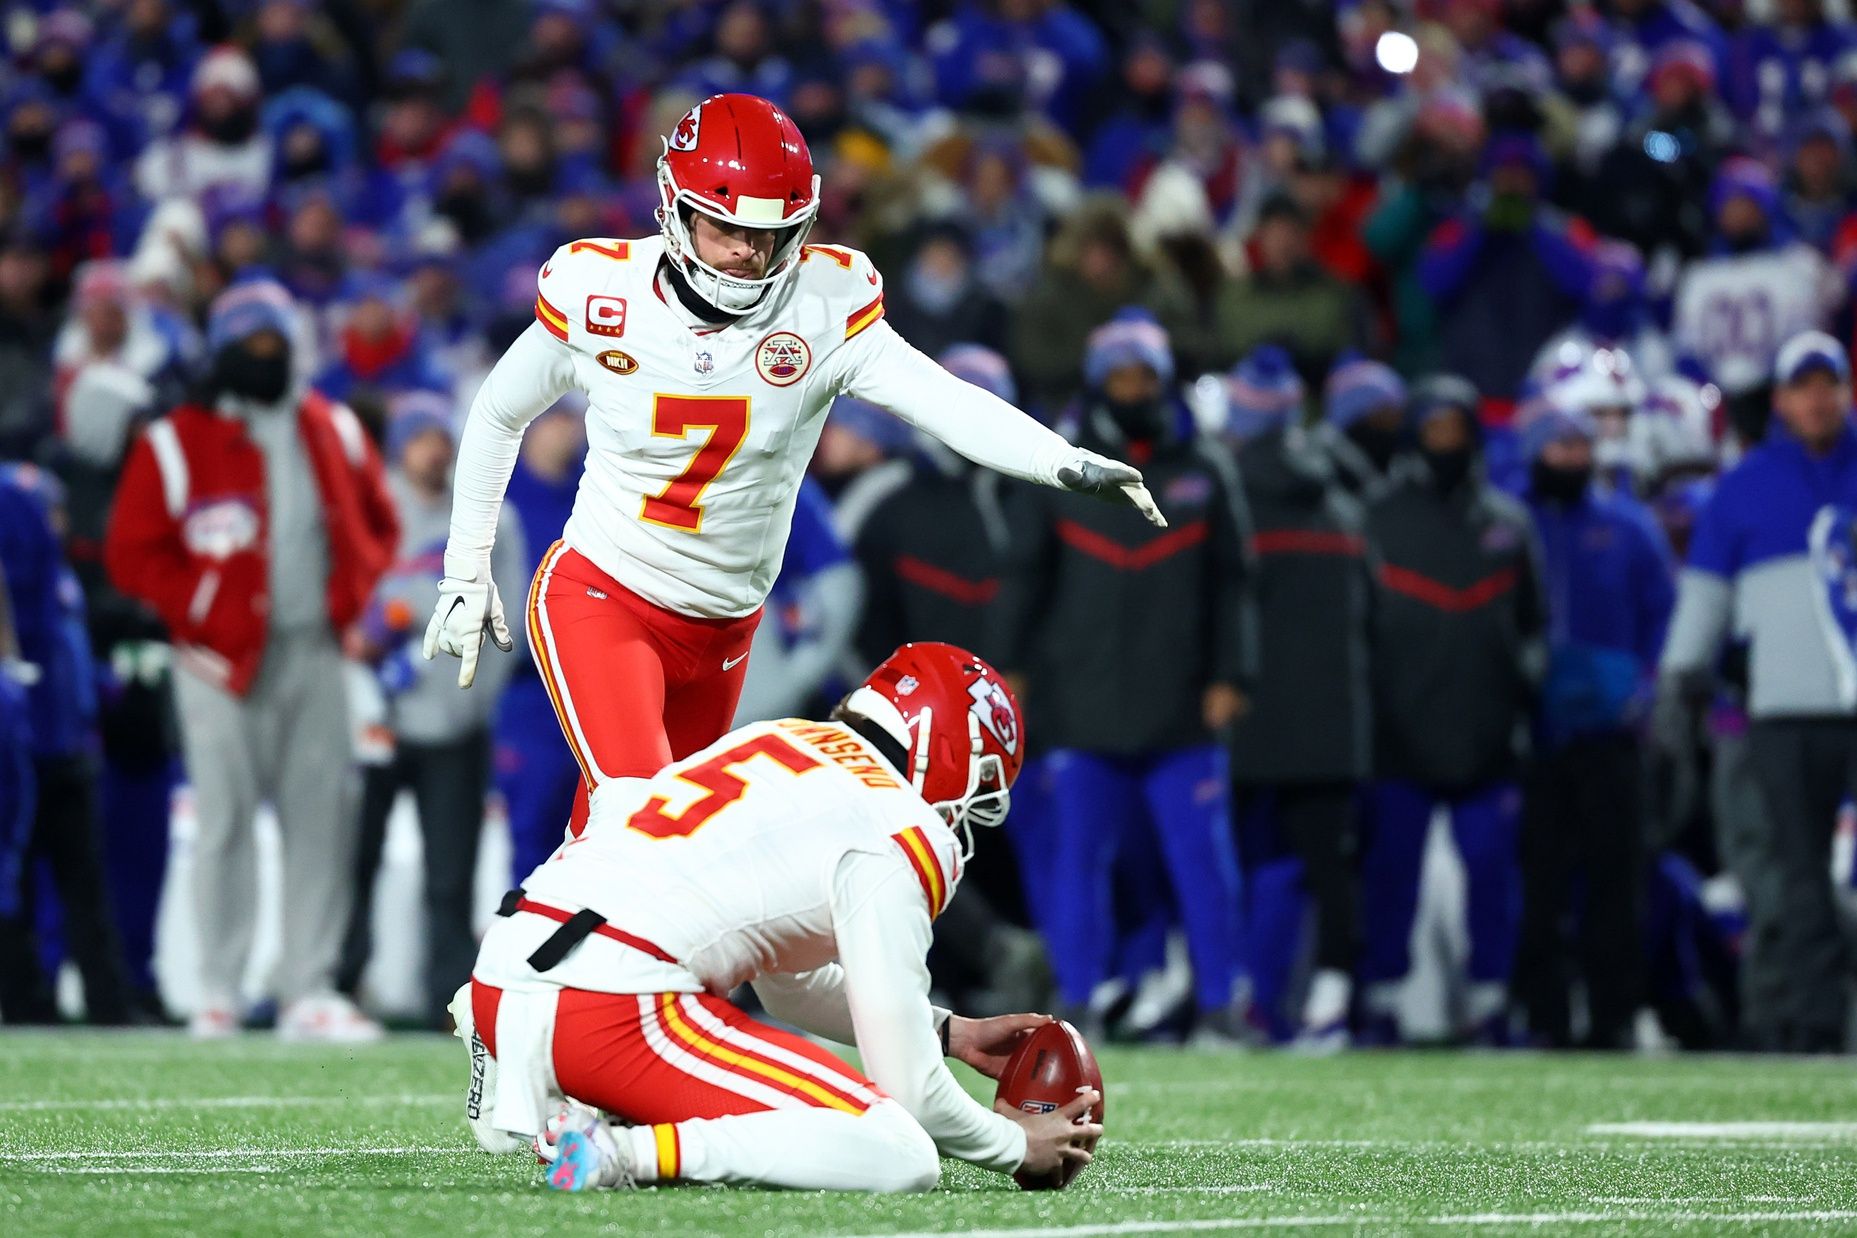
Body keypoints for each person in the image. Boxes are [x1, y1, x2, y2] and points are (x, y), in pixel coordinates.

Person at [426, 94, 1165, 846]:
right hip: (605, 591)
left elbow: (939, 399)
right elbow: (496, 413)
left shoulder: (825, 303)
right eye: (727, 228)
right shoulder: (600, 292)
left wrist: (1057, 459)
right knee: (649, 830)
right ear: (674, 209)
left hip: (724, 626)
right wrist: (464, 567)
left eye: (769, 233)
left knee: (614, 851)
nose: (748, 251)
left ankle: (533, 963)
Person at [457, 641, 1101, 1194]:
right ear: (951, 754)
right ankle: (621, 1153)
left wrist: (948, 1033)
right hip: (611, 1003)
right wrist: (1016, 1144)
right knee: (899, 1149)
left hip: (507, 970)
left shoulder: (777, 737)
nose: (963, 818)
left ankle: (531, 1069)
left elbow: (786, 984)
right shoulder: (899, 826)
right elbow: (910, 1092)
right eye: (977, 790)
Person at [104, 280, 398, 1041]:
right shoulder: (175, 439)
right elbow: (130, 551)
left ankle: (306, 986)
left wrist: (349, 599)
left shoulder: (332, 425)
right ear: (222, 352)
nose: (263, 357)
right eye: (249, 345)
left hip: (312, 650)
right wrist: (198, 607)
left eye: (274, 343)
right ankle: (219, 990)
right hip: (213, 661)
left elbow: (379, 522)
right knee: (224, 822)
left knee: (320, 822)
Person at [997, 311, 1255, 1043]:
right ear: (1096, 382)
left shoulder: (1206, 471)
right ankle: (1077, 1003)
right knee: (1075, 862)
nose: (1132, 389)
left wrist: (1232, 672)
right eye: (1119, 377)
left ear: (1164, 382)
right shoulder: (1060, 471)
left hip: (1182, 706)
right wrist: (1009, 668)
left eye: (1143, 377)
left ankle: (1221, 1004)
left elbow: (1236, 583)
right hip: (1080, 703)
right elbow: (1022, 577)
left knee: (1204, 865)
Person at [1656, 329, 1857, 1053]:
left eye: (1825, 383)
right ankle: (1813, 1028)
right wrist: (1680, 678)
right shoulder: (1742, 488)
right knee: (1797, 878)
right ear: (1779, 399)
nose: (1814, 398)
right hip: (1783, 711)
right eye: (1800, 386)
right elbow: (1703, 599)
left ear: (1843, 389)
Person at [1357, 375, 1546, 1044]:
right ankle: (1379, 1004)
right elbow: (1353, 628)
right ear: (1413, 436)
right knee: (1390, 877)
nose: (1445, 442)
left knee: (1492, 877)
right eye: (1433, 429)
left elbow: (1535, 626)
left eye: (1456, 430)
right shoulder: (1375, 517)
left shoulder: (1507, 522)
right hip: (1396, 735)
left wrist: (1520, 684)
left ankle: (1492, 1006)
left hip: (1487, 735)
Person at [337, 394, 527, 1026]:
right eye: (421, 437)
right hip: (372, 713)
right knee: (352, 859)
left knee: (451, 872)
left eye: (441, 438)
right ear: (399, 445)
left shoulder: (492, 515)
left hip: (451, 714)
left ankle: (445, 995)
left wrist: (476, 701)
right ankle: (336, 985)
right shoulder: (365, 508)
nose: (434, 450)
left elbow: (514, 621)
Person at [1223, 349, 1375, 1050]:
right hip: (1333, 718)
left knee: (1243, 864)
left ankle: (1243, 997)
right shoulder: (1343, 504)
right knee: (1326, 867)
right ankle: (1329, 1003)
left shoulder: (1228, 501)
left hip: (1242, 715)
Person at [1514, 404, 1675, 1049]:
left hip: (1612, 736)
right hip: (1537, 736)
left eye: (1582, 446)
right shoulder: (1513, 525)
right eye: (1559, 447)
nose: (1573, 458)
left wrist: (1643, 690)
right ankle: (1545, 1016)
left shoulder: (1631, 528)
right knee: (1538, 884)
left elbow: (1665, 617)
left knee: (1616, 882)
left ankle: (1616, 1015)